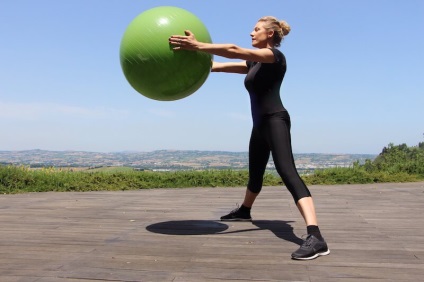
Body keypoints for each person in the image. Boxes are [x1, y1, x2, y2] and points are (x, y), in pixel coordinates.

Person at [169, 16, 330, 260]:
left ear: (271, 35)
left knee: (288, 172)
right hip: (260, 125)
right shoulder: (254, 64)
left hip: (276, 121)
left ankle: (315, 236)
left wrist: (198, 45)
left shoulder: (273, 56)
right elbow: (216, 67)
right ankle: (245, 211)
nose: (251, 33)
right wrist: (192, 62)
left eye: (256, 30)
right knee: (255, 172)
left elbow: (233, 51)